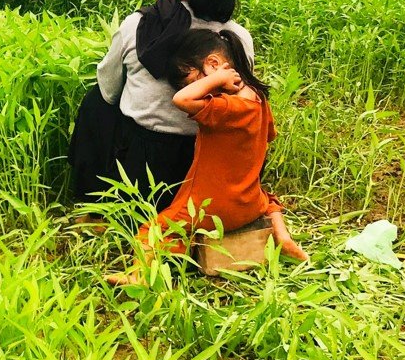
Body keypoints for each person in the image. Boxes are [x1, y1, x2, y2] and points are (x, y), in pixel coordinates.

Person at [106, 28, 306, 286]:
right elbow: (269, 135)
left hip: (208, 206)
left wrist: (215, 79)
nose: (194, 88)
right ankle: (283, 236)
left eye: (191, 79)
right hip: (248, 204)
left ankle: (138, 275)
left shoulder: (225, 107)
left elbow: (181, 100)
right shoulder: (258, 101)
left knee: (152, 231)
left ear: (213, 64)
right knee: (266, 199)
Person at [85, 0, 256, 212]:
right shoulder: (238, 36)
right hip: (215, 161)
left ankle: (92, 196)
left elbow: (108, 89)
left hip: (147, 164)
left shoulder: (137, 26)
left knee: (96, 101)